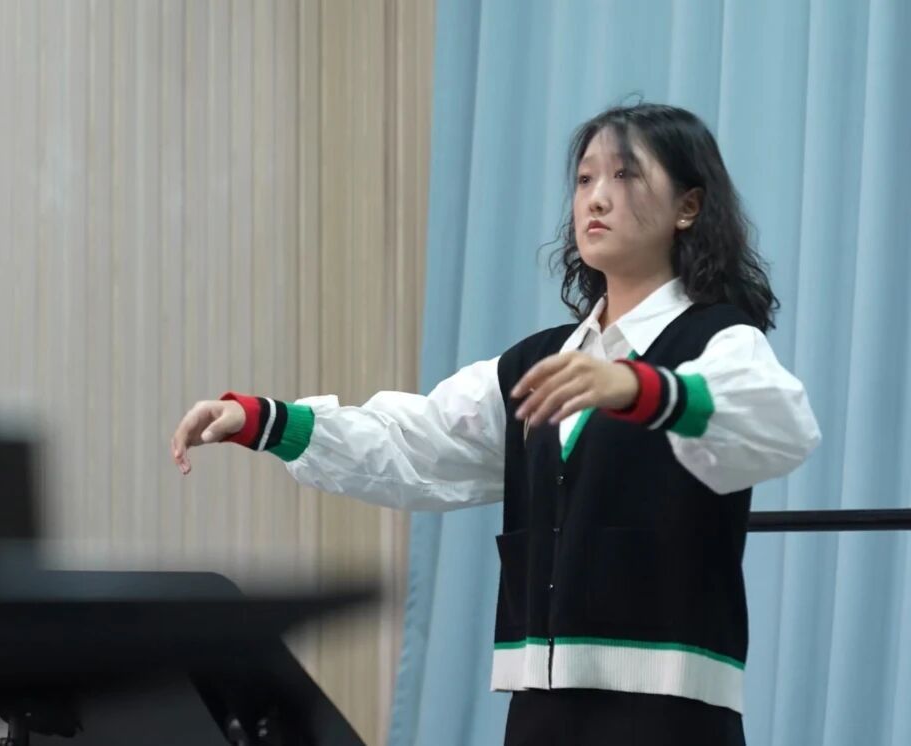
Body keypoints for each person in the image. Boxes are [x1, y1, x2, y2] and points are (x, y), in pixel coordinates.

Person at [169, 103, 820, 745]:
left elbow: (776, 423)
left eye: (626, 175)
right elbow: (419, 443)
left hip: (669, 710)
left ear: (688, 207)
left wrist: (640, 387)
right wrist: (265, 421)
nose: (596, 198)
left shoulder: (718, 342)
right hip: (538, 708)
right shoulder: (537, 362)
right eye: (585, 178)